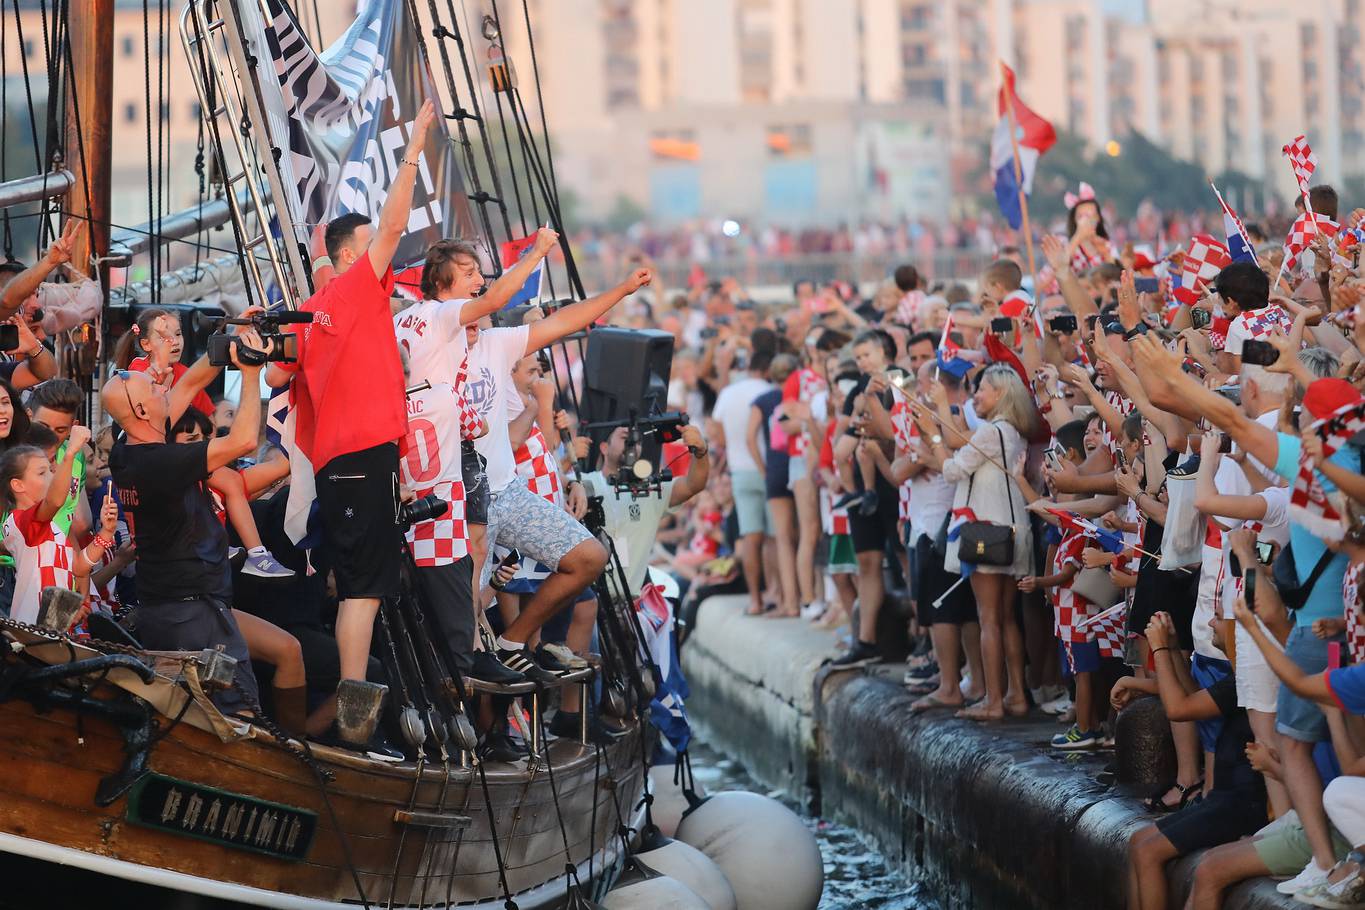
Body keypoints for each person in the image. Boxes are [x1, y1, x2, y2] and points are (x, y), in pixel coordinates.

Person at [264, 98, 438, 689]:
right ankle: (354, 707)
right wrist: (412, 148)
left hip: (343, 462)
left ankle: (349, 702)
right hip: (364, 458)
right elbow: (392, 224)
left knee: (358, 586)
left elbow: (274, 378)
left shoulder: (310, 312)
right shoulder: (355, 292)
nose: (383, 259)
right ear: (349, 258)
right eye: (369, 250)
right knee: (364, 591)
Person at [462, 268, 653, 682]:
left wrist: (622, 286)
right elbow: (527, 441)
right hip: (469, 502)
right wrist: (539, 405)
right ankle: (495, 722)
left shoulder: (495, 352)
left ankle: (514, 648)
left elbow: (559, 324)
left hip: (514, 497)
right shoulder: (450, 354)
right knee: (476, 609)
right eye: (531, 369)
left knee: (587, 566)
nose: (539, 375)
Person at [104, 325, 272, 714]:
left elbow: (191, 381)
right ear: (143, 410)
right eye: (155, 387)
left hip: (168, 605)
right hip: (195, 614)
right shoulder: (163, 463)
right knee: (239, 717)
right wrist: (250, 372)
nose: (165, 387)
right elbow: (245, 440)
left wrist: (226, 339)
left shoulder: (126, 452)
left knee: (191, 716)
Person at [1122, 610, 1266, 910]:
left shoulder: (1252, 676)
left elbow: (1178, 709)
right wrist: (1173, 650)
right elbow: (1193, 696)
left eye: (1218, 618)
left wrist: (1159, 649)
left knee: (1149, 853)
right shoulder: (1238, 675)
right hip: (1225, 798)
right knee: (1138, 843)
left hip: (1243, 804)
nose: (1211, 623)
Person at [923, 364, 1036, 721]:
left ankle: (993, 701)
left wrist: (934, 436)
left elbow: (952, 469)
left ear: (1000, 394)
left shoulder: (992, 432)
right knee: (1007, 618)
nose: (975, 396)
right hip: (1014, 530)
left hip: (987, 532)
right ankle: (1016, 695)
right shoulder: (1014, 432)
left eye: (982, 390)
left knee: (989, 619)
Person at [0, 432, 118, 626]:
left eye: (51, 469)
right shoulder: (20, 521)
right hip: (33, 631)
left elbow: (79, 566)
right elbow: (55, 500)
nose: (52, 475)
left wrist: (106, 532)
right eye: (42, 472)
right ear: (18, 485)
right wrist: (70, 453)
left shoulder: (51, 525)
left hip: (50, 631)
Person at [709, 342, 774, 617]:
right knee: (773, 537)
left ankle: (756, 600)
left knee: (750, 536)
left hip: (740, 470)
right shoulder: (771, 391)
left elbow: (718, 435)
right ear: (769, 368)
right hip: (768, 468)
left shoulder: (729, 392)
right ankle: (776, 594)